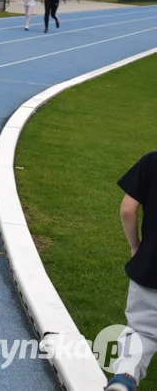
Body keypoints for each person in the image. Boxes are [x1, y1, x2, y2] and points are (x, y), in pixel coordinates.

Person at [105, 151, 157, 391]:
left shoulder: (152, 161)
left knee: (142, 333)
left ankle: (125, 377)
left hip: (150, 266)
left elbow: (128, 209)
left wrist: (135, 246)